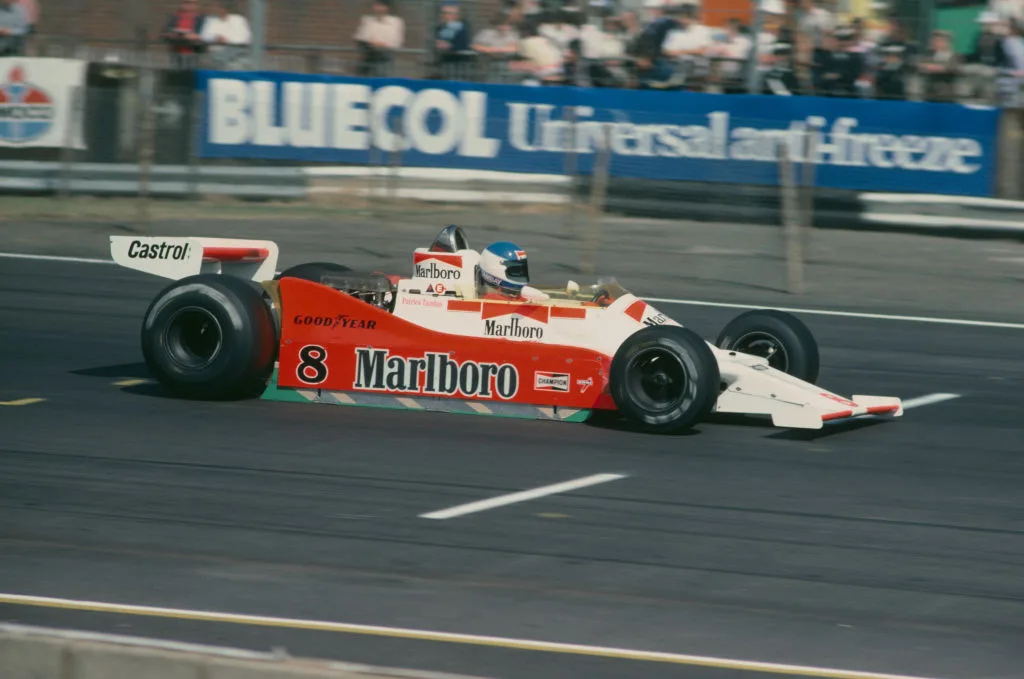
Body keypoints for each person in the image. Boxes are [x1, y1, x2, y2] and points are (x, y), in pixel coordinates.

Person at [477, 242, 549, 301]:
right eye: (515, 271)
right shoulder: (491, 302)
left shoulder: (521, 298)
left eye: (521, 270)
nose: (520, 274)